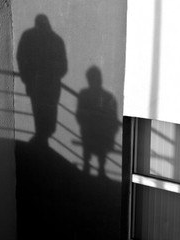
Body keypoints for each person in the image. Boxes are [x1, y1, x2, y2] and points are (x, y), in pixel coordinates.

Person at [17, 14, 68, 146]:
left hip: (42, 84)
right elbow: (21, 57)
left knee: (43, 111)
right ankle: (42, 138)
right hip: (42, 84)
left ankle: (42, 138)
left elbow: (63, 66)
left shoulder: (32, 37)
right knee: (43, 112)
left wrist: (26, 77)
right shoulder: (56, 40)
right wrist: (26, 77)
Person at [76, 66, 119, 176]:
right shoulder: (86, 95)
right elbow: (79, 114)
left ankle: (94, 166)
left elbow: (114, 120)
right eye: (93, 78)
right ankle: (95, 166)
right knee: (91, 132)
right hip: (91, 132)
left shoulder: (108, 97)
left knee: (97, 133)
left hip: (101, 134)